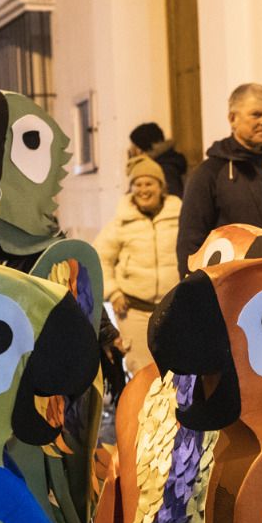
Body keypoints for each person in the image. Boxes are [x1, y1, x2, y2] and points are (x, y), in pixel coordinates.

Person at [175, 83, 262, 273]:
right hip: (235, 292)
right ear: (232, 118)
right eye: (256, 114)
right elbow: (190, 243)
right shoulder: (208, 173)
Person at [93, 155, 181, 371]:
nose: (144, 190)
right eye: (137, 184)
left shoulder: (180, 217)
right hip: (135, 312)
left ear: (161, 187)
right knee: (144, 371)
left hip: (174, 309)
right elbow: (98, 259)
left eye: (149, 183)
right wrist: (113, 292)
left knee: (178, 370)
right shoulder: (120, 224)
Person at [128, 121, 187, 201]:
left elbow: (173, 200)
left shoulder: (163, 169)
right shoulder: (170, 162)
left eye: (133, 147)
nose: (131, 151)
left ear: (140, 149)